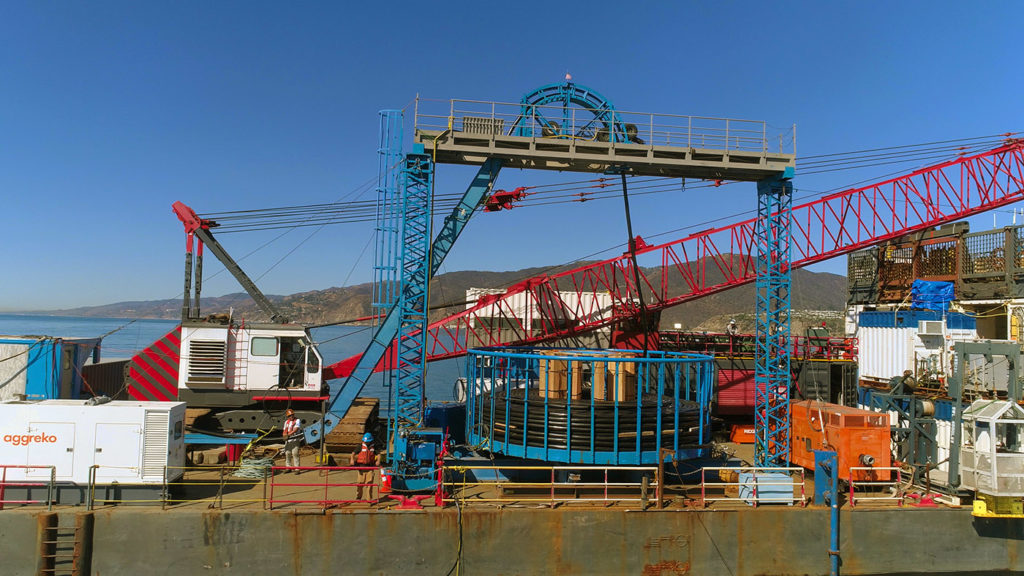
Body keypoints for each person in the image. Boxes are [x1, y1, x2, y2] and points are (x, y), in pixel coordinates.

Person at [350, 432, 378, 500]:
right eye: (365, 441)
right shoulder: (360, 446)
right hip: (361, 468)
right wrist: (352, 460)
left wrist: (378, 461)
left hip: (370, 468)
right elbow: (353, 453)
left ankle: (369, 499)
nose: (366, 443)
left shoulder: (374, 447)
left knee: (369, 484)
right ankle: (358, 497)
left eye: (367, 442)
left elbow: (378, 454)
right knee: (360, 483)